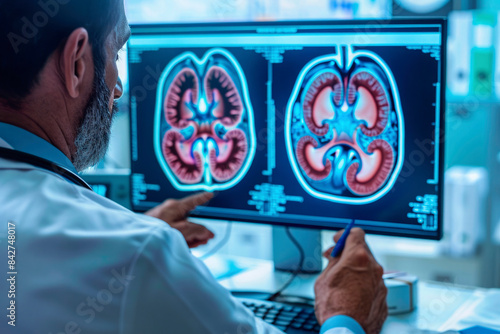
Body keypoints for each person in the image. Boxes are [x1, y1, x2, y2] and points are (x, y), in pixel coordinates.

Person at [0, 1, 387, 333]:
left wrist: (126, 242)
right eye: (116, 54)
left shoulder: (124, 248)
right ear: (77, 64)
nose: (117, 89)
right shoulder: (138, 251)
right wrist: (344, 316)